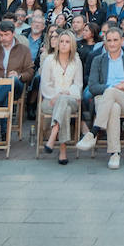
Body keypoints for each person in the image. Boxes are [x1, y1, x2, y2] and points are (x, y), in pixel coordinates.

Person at [78, 29, 124, 169]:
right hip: (103, 99)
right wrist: (113, 87)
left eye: (115, 40)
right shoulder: (98, 60)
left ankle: (94, 132)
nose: (112, 43)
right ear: (104, 42)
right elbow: (93, 86)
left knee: (113, 96)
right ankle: (115, 154)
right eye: (109, 40)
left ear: (121, 41)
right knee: (113, 107)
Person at [0, 21, 33, 140]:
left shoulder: (24, 50)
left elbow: (30, 72)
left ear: (13, 34)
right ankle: (4, 135)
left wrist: (19, 75)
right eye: (1, 35)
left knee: (11, 81)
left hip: (16, 86)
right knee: (4, 93)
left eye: (6, 35)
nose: (3, 38)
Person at [40, 30, 84, 164]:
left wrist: (64, 94)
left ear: (72, 45)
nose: (64, 44)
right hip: (50, 100)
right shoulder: (49, 60)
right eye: (61, 41)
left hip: (71, 99)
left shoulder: (76, 61)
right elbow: (45, 85)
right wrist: (58, 94)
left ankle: (54, 133)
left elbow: (78, 85)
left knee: (64, 101)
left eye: (67, 42)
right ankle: (62, 149)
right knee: (64, 106)